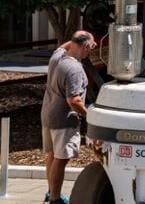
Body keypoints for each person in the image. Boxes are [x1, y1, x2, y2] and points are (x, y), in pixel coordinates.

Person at [42, 30, 97, 204]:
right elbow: (74, 101)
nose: (91, 50)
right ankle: (55, 200)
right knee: (61, 160)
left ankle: (51, 193)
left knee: (52, 155)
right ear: (86, 46)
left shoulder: (57, 58)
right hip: (64, 121)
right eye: (91, 46)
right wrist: (90, 115)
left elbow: (61, 46)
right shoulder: (74, 69)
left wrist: (76, 39)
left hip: (48, 116)